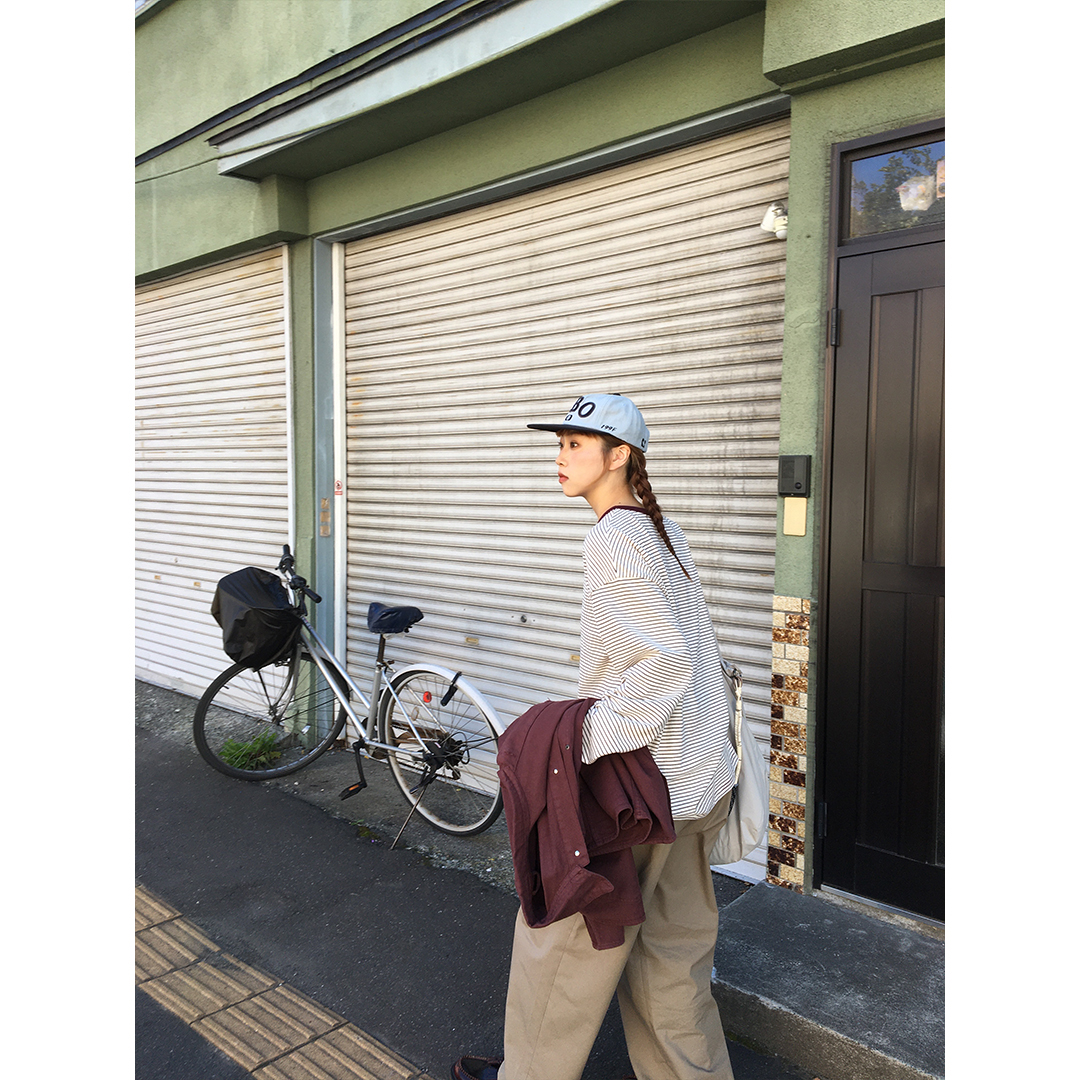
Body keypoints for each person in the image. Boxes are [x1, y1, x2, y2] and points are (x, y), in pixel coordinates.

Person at [454, 393, 740, 1080]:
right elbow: (695, 656)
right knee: (672, 967)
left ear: (620, 456)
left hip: (640, 794)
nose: (561, 456)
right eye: (560, 443)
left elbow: (664, 663)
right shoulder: (660, 531)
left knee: (562, 953)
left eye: (577, 444)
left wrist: (574, 747)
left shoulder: (614, 536)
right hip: (697, 782)